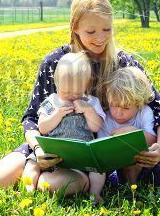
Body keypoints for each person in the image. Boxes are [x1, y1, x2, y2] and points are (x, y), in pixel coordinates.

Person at [0, 0, 160, 194]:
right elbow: (31, 118)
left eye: (107, 30)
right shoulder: (56, 62)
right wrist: (38, 149)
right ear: (74, 28)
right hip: (57, 146)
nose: (100, 39)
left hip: (113, 154)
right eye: (91, 32)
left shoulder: (124, 63)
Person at [21, 52, 106, 203]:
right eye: (66, 92)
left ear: (86, 86)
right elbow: (43, 127)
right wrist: (57, 114)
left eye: (77, 93)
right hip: (51, 152)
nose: (72, 97)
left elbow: (96, 127)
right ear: (57, 84)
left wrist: (88, 111)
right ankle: (29, 187)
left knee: (99, 168)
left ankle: (95, 193)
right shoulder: (51, 101)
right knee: (32, 163)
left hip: (80, 154)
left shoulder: (91, 102)